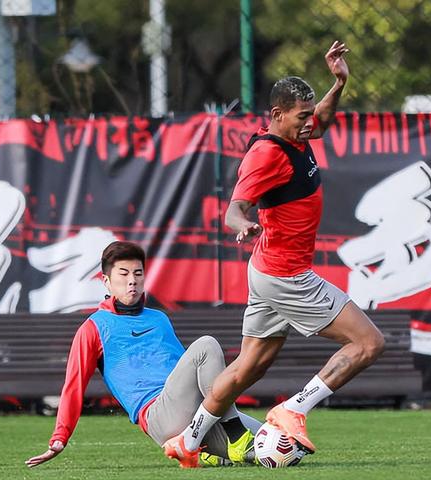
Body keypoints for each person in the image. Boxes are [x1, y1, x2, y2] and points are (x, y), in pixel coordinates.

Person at [163, 41, 385, 467]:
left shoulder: (296, 136)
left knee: (248, 367)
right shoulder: (266, 155)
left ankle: (188, 442)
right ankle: (294, 409)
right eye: (301, 116)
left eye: (309, 114)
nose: (310, 123)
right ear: (277, 114)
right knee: (368, 342)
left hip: (269, 272)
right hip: (287, 275)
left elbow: (322, 121)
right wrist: (242, 224)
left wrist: (339, 83)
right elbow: (233, 208)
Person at [25, 241, 261, 469]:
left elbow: (185, 373)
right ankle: (234, 436)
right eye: (124, 274)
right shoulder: (93, 328)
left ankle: (204, 451)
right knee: (206, 345)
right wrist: (60, 438)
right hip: (160, 415)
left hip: (197, 414)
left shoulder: (159, 318)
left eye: (138, 273)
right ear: (106, 281)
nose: (132, 280)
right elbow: (73, 386)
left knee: (276, 444)